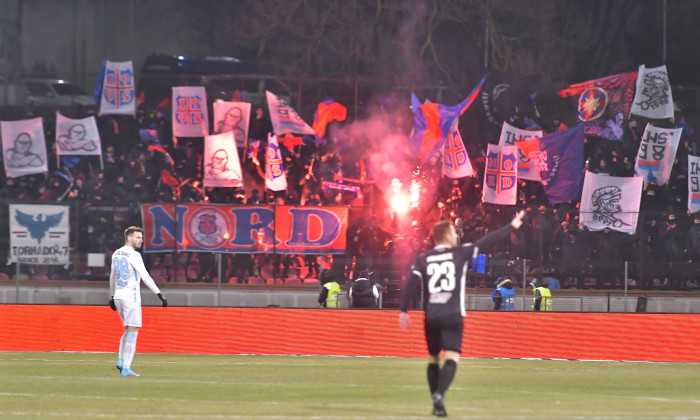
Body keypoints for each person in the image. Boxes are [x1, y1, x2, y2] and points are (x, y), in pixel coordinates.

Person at [399, 210, 525, 417]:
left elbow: (411, 282)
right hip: (452, 314)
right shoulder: (459, 253)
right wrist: (511, 226)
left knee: (432, 359)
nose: (456, 236)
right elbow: (487, 241)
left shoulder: (423, 258)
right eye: (453, 233)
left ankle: (435, 402)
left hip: (431, 316)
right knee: (452, 357)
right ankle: (439, 394)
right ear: (447, 236)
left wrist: (404, 310)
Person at [109, 226, 167, 377]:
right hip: (130, 297)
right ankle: (126, 368)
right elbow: (145, 276)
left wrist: (112, 296)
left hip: (119, 296)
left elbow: (112, 276)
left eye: (141, 237)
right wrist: (159, 293)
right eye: (138, 237)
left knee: (128, 329)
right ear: (129, 238)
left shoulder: (116, 253)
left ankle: (121, 360)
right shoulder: (134, 255)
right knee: (133, 331)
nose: (141, 240)